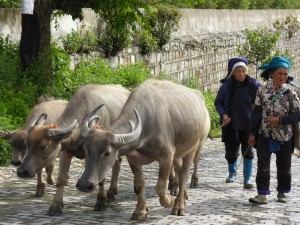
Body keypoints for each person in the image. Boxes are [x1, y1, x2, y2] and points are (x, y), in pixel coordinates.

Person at [248, 56, 300, 204]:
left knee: (284, 165)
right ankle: (262, 194)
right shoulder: (262, 90)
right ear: (272, 74)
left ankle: (282, 192)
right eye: (279, 73)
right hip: (264, 133)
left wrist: (281, 121)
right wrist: (251, 133)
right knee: (263, 164)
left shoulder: (290, 93)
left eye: (285, 74)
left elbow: (298, 114)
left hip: (285, 135)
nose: (283, 77)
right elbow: (256, 112)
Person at [214, 57, 261, 189]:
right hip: (231, 124)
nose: (241, 74)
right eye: (238, 71)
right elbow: (218, 102)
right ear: (232, 73)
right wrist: (223, 114)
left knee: (248, 150)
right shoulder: (226, 86)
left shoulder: (254, 84)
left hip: (249, 124)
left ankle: (247, 179)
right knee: (231, 152)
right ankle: (232, 173)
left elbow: (263, 98)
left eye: (243, 71)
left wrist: (256, 106)